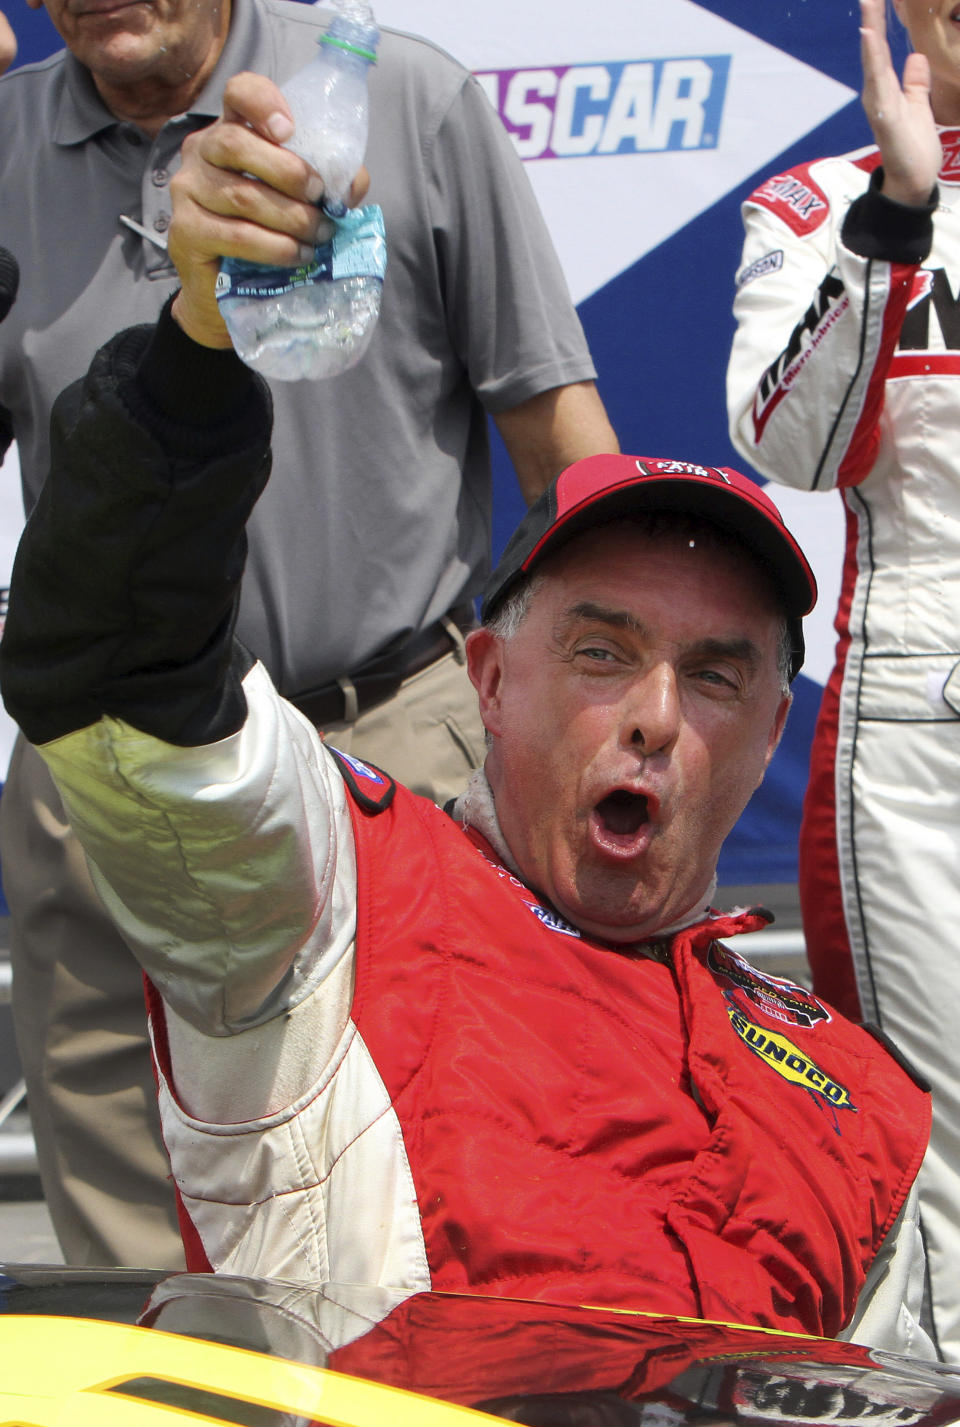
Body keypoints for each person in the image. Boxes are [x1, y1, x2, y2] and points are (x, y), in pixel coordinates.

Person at [0, 118, 935, 1346]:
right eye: (601, 654)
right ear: (490, 681)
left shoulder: (862, 1099)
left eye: (715, 677)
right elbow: (117, 670)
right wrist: (198, 349)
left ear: (769, 738)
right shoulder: (326, 904)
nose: (655, 717)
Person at [0, 0, 618, 1267]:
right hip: (105, 778)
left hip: (399, 758)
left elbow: (559, 434)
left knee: (451, 1228)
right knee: (137, 1279)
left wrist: (615, 713)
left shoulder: (408, 100)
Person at [726, 0, 960, 1361]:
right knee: (940, 1148)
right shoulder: (824, 198)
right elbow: (790, 447)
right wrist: (900, 215)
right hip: (925, 721)